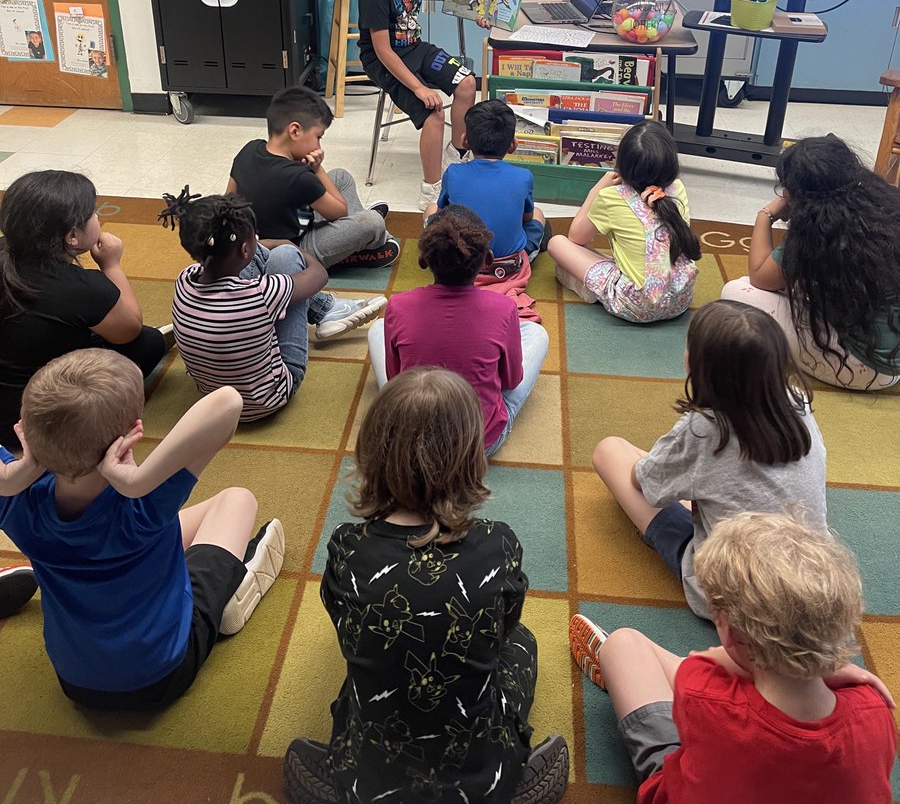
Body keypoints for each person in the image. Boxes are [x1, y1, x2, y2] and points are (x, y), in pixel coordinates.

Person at [284, 367, 569, 804]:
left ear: (372, 452)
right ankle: (500, 785)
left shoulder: (348, 547)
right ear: (471, 457)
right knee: (522, 643)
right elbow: (506, 628)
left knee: (368, 662)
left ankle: (357, 785)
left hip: (368, 771)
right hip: (480, 771)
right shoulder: (499, 544)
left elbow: (342, 623)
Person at [0, 348, 285, 708]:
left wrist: (12, 478)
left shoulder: (13, 502)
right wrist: (137, 482)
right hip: (164, 674)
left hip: (74, 682)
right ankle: (227, 593)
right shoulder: (146, 501)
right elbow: (228, 401)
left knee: (153, 537)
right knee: (238, 499)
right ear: (130, 434)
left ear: (25, 431)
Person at [569, 512, 896, 804]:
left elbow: (703, 662)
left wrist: (731, 658)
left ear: (729, 632)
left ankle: (625, 677)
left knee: (623, 645)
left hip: (694, 770)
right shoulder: (875, 708)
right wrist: (821, 666)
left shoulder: (703, 689)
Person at [592, 299, 827, 618]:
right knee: (691, 477)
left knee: (609, 450)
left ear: (697, 364)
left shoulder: (705, 429)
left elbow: (643, 483)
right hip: (813, 582)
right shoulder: (798, 402)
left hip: (731, 599)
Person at [0, 170, 168, 449]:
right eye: (93, 212)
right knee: (148, 342)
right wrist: (111, 264)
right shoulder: (82, 287)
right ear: (73, 236)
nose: (98, 217)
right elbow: (130, 329)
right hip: (32, 422)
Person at [722, 135, 900, 390]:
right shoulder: (886, 203)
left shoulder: (817, 231)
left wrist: (765, 216)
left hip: (862, 369)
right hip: (893, 355)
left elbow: (760, 277)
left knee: (736, 292)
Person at [367, 206, 549, 455]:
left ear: (423, 261)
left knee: (378, 328)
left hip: (411, 437)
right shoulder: (504, 308)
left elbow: (396, 377)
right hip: (478, 444)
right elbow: (511, 380)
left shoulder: (398, 305)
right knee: (536, 334)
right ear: (487, 259)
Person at [161, 190, 330, 422]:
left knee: (266, 256)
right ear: (243, 249)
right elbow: (319, 275)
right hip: (269, 398)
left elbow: (250, 251)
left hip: (214, 398)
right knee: (287, 256)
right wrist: (292, 246)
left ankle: (327, 307)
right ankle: (327, 308)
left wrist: (255, 245)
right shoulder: (260, 294)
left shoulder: (184, 280)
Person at [357, 0, 483, 212]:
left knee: (467, 84)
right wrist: (419, 88)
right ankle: (431, 190)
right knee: (434, 112)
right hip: (385, 61)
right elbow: (382, 50)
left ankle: (456, 154)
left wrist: (478, 11)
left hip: (415, 48)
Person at [228, 85, 399, 272]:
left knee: (341, 177)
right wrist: (317, 170)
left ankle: (353, 231)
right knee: (372, 222)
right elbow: (340, 212)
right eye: (318, 137)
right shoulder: (299, 176)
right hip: (294, 249)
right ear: (295, 131)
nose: (318, 146)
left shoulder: (250, 149)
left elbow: (228, 200)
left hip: (266, 237)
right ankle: (369, 244)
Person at [548, 119, 700, 322]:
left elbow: (576, 237)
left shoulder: (612, 196)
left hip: (636, 306)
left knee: (557, 243)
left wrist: (597, 189)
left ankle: (597, 289)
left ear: (621, 164)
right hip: (680, 299)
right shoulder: (678, 189)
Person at [425, 99, 552, 264]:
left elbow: (442, 214)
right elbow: (527, 218)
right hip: (508, 267)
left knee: (430, 209)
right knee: (538, 214)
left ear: (465, 141)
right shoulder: (524, 176)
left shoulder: (453, 172)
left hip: (459, 264)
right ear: (513, 145)